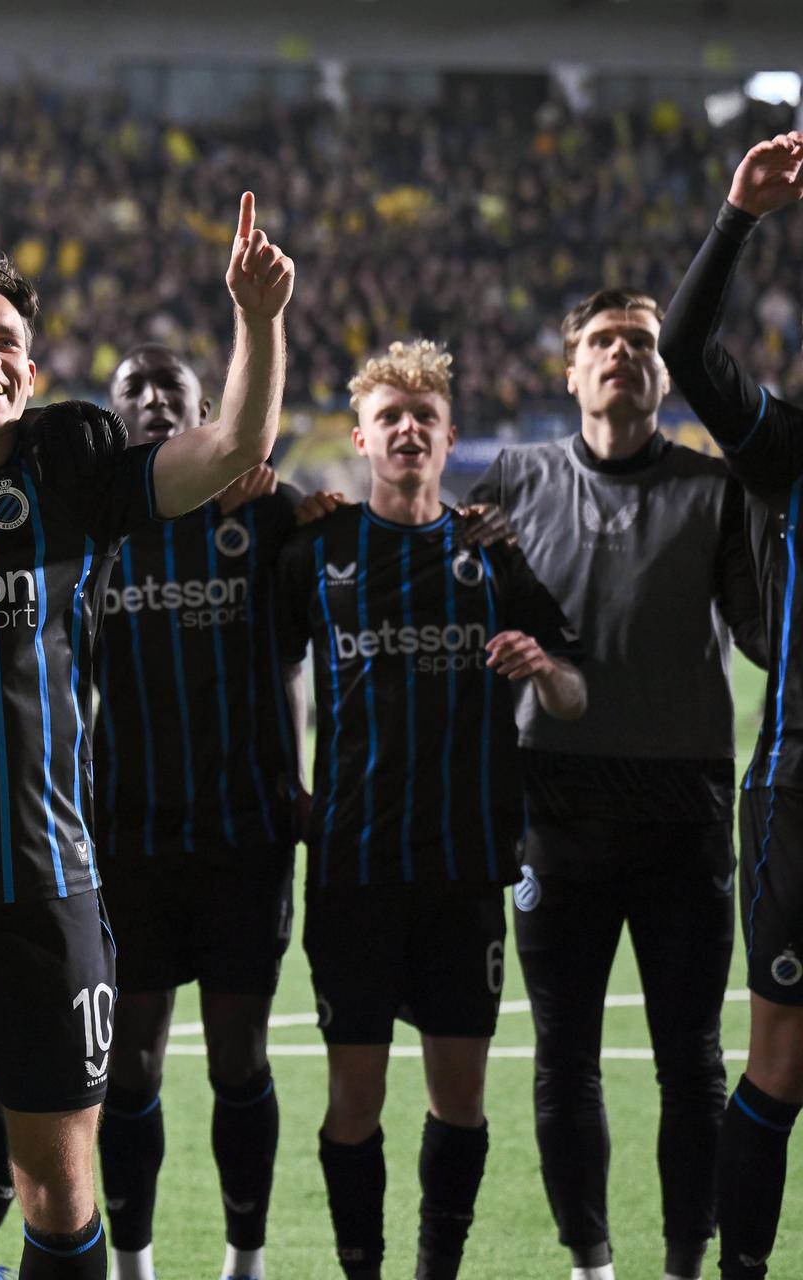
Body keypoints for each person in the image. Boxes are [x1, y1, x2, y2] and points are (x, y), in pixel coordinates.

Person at [0, 210, 292, 1280]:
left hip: (43, 895)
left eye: (5, 341)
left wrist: (256, 320)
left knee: (62, 1189)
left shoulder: (74, 481)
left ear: (31, 370)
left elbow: (232, 447)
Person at [0, 342, 301, 1280]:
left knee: (239, 1057)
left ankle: (245, 1258)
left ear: (200, 409)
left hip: (241, 834)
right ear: (113, 412)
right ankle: (130, 1261)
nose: (149, 400)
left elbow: (336, 594)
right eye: (132, 388)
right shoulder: (94, 521)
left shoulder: (266, 515)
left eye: (169, 387)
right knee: (124, 1063)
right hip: (124, 837)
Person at [464, 288, 763, 1280]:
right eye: (602, 341)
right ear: (570, 369)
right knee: (564, 1059)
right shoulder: (515, 477)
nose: (624, 354)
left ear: (664, 372)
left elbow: (765, 631)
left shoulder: (716, 488)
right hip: (557, 805)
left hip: (683, 808)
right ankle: (592, 1263)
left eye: (641, 341)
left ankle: (684, 1262)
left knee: (693, 1062)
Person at [275, 340, 587, 1280]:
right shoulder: (319, 549)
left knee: (460, 1097)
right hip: (354, 869)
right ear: (362, 439)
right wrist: (288, 781)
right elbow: (271, 668)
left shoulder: (490, 552)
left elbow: (575, 691)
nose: (408, 428)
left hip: (462, 868)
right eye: (389, 416)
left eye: (425, 416)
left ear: (450, 439)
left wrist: (546, 673)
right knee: (355, 1097)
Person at [659, 127, 803, 1280]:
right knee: (781, 1058)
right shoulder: (787, 448)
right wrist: (739, 215)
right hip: (801, 787)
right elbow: (683, 344)